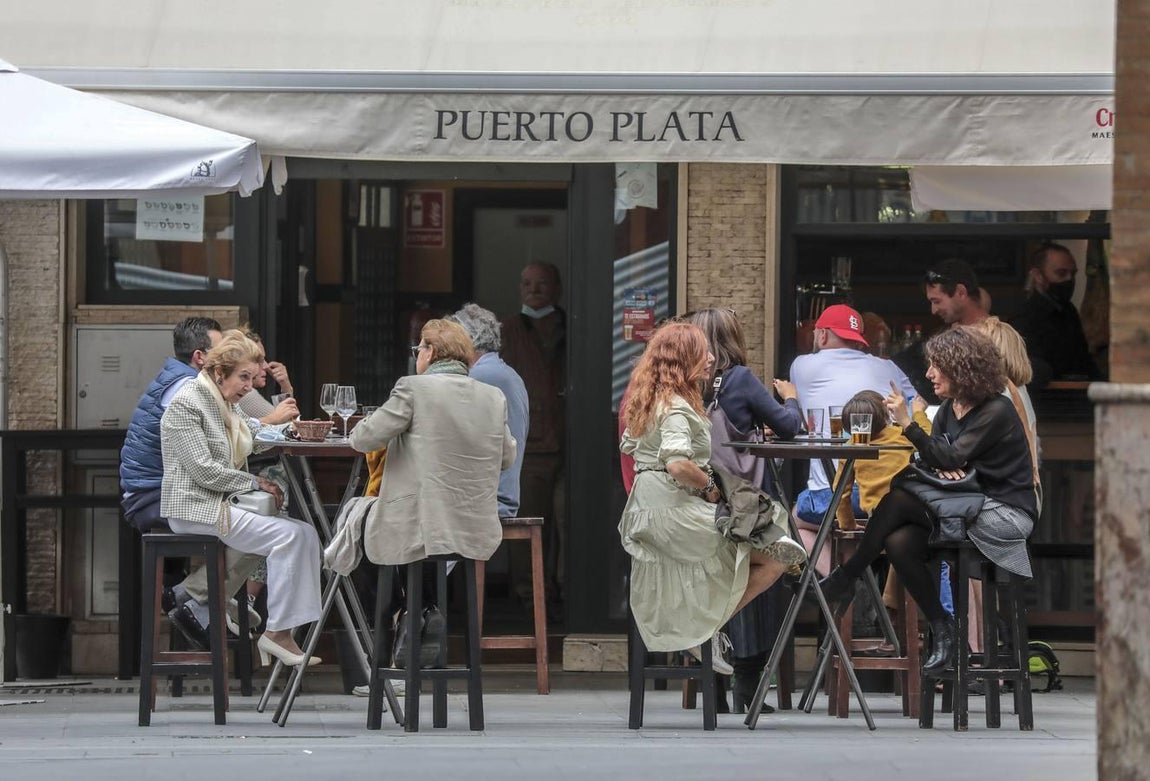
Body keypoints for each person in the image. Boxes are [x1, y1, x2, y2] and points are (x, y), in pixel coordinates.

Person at [821, 327, 1037, 675]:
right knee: (898, 540)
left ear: (960, 368)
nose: (929, 373)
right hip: (963, 507)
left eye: (937, 366)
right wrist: (943, 460)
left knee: (900, 496)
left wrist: (910, 425)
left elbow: (945, 457)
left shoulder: (997, 410)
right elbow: (932, 460)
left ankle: (847, 576)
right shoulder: (951, 409)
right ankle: (942, 627)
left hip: (1002, 513)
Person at [619, 322, 806, 677]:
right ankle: (706, 629)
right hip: (672, 515)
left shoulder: (652, 398)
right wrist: (709, 488)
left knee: (764, 544)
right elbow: (677, 464)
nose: (709, 358)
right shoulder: (676, 406)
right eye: (701, 351)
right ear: (683, 359)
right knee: (776, 556)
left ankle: (705, 626)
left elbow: (635, 446)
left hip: (650, 510)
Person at [350, 319, 516, 666]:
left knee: (355, 531)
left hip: (421, 524)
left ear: (431, 351)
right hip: (472, 526)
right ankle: (425, 608)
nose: (417, 356)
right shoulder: (492, 396)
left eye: (419, 349)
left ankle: (400, 615)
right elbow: (506, 457)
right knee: (422, 540)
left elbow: (363, 438)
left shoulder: (413, 389)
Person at [160, 330, 323, 667]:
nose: (249, 386)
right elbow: (204, 471)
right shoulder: (187, 403)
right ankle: (276, 633)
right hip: (195, 507)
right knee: (290, 536)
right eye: (244, 377)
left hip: (219, 502)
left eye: (251, 377)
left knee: (305, 534)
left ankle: (282, 631)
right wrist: (254, 481)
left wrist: (290, 430)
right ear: (220, 373)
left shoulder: (220, 401)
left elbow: (252, 433)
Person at [119, 317, 262, 648]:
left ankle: (201, 597)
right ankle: (197, 598)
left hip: (163, 488)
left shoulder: (191, 382)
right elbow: (209, 456)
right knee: (261, 519)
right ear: (201, 357)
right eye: (224, 350)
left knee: (261, 516)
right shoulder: (189, 389)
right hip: (153, 495)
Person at [687, 307, 802, 711]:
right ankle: (747, 687)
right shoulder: (739, 379)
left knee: (714, 581)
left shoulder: (688, 382)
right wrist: (791, 399)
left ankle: (713, 688)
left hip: (702, 499)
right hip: (745, 502)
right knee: (758, 581)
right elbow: (790, 427)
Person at [789, 304, 916, 526]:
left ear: (822, 335)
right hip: (890, 493)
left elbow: (801, 415)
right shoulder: (889, 367)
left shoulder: (801, 366)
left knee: (796, 517)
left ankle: (836, 549)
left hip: (831, 493)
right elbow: (918, 405)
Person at [501, 262, 566, 608]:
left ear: (557, 288)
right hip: (529, 446)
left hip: (571, 442)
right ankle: (530, 599)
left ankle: (568, 596)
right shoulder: (508, 331)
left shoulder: (571, 326)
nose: (534, 290)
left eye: (542, 284)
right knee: (527, 524)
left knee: (569, 524)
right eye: (527, 283)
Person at [449, 303, 529, 519]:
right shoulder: (505, 373)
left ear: (466, 342)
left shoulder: (481, 376)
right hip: (496, 498)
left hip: (489, 502)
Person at [893, 259, 988, 404]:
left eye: (937, 301)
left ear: (961, 292)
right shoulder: (943, 337)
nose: (933, 310)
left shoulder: (997, 338)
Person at [1011, 241, 1104, 387]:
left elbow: (1083, 359)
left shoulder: (1069, 311)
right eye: (1061, 273)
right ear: (1038, 276)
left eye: (1073, 274)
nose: (1069, 279)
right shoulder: (1025, 316)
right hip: (1047, 395)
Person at [235, 326, 300, 425]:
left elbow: (290, 424)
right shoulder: (246, 393)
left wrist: (285, 386)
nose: (266, 366)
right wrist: (287, 388)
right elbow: (290, 426)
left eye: (264, 359)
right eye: (259, 360)